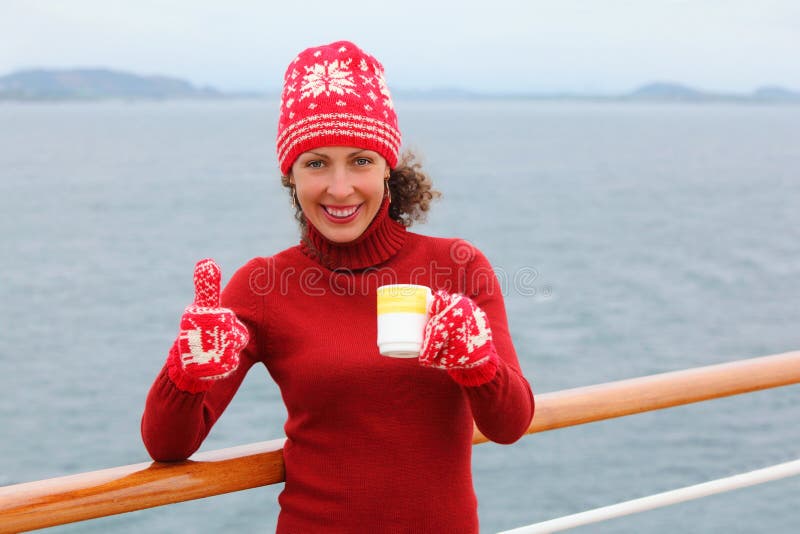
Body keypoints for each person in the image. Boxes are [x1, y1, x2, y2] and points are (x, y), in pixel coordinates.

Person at [142, 40, 534, 533]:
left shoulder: (457, 266)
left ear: (389, 166)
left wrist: (478, 364)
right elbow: (167, 445)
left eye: (361, 161)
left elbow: (510, 425)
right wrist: (187, 371)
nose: (341, 187)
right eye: (316, 163)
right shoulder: (263, 285)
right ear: (290, 175)